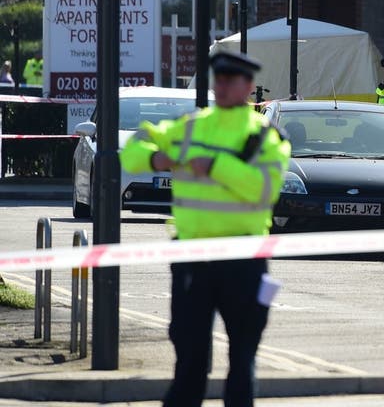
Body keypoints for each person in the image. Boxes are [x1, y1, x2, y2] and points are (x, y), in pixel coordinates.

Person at [119, 50, 290, 407]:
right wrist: (154, 158)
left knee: (243, 360)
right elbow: (134, 146)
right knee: (190, 358)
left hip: (243, 259)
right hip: (192, 256)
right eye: (219, 80)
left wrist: (214, 165)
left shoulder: (265, 136)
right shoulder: (192, 125)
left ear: (249, 87)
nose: (222, 86)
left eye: (231, 81)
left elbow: (263, 190)